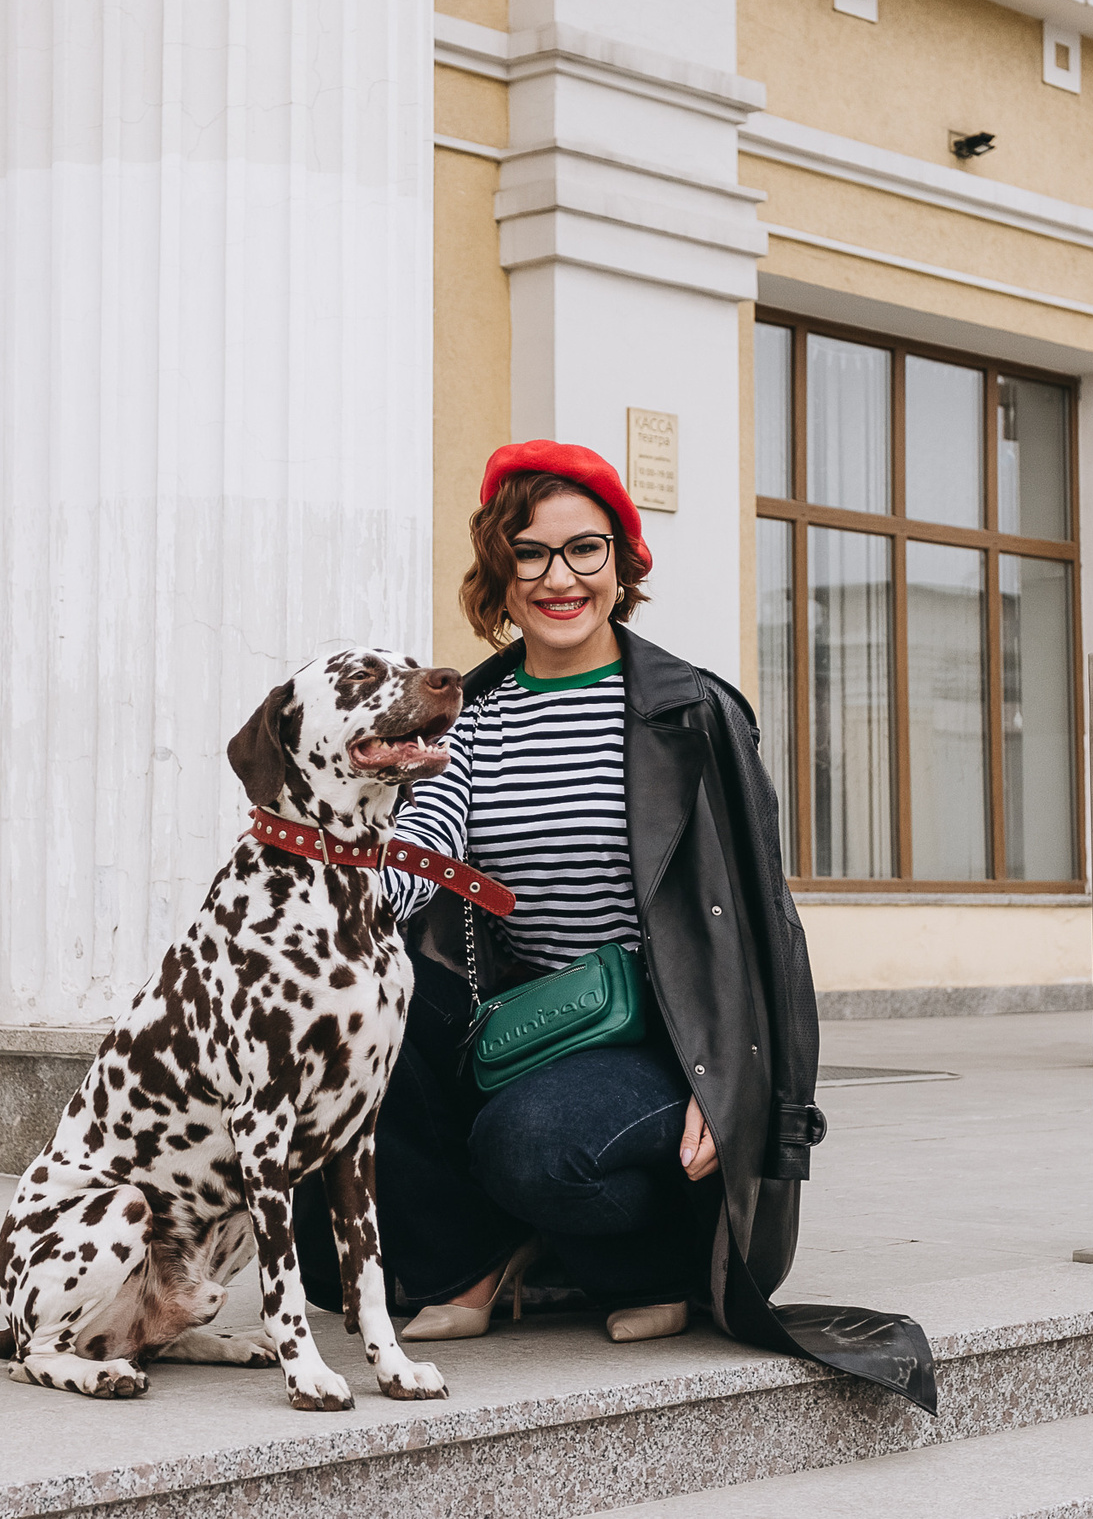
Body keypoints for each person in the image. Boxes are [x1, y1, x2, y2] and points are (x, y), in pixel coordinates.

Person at [295, 441, 932, 1405]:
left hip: (659, 1035)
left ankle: (647, 1260)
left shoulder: (693, 709)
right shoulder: (471, 715)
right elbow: (425, 844)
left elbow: (763, 924)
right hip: (525, 1020)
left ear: (622, 564)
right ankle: (474, 1260)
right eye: (531, 554)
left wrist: (748, 1094)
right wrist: (334, 901)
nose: (560, 578)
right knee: (359, 1002)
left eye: (584, 550)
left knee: (531, 1148)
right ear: (499, 573)